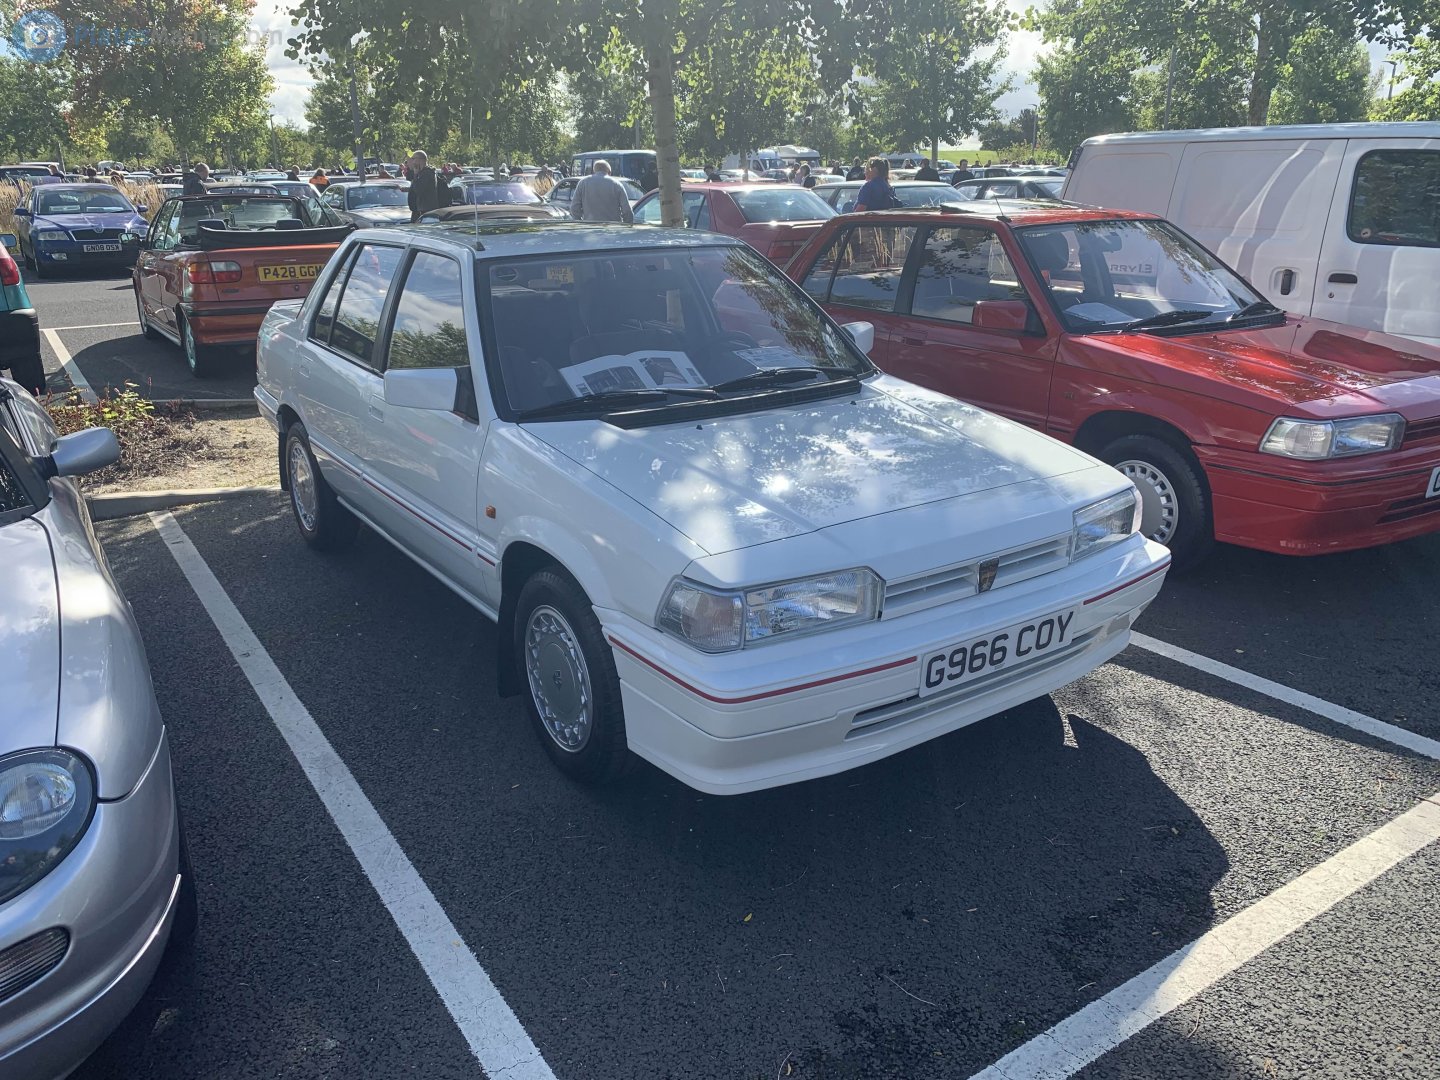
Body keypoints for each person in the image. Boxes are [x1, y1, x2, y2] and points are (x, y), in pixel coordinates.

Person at [569, 159, 634, 223]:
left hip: (589, 228)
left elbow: (574, 208)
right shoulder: (617, 184)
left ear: (594, 171)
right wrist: (627, 225)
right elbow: (627, 211)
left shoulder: (583, 183)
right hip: (613, 228)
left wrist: (580, 223)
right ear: (609, 172)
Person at [406, 151, 447, 222]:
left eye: (413, 159)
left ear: (420, 159)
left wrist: (415, 174)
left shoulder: (427, 173)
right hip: (422, 212)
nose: (412, 162)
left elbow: (418, 190)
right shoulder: (422, 173)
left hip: (427, 213)